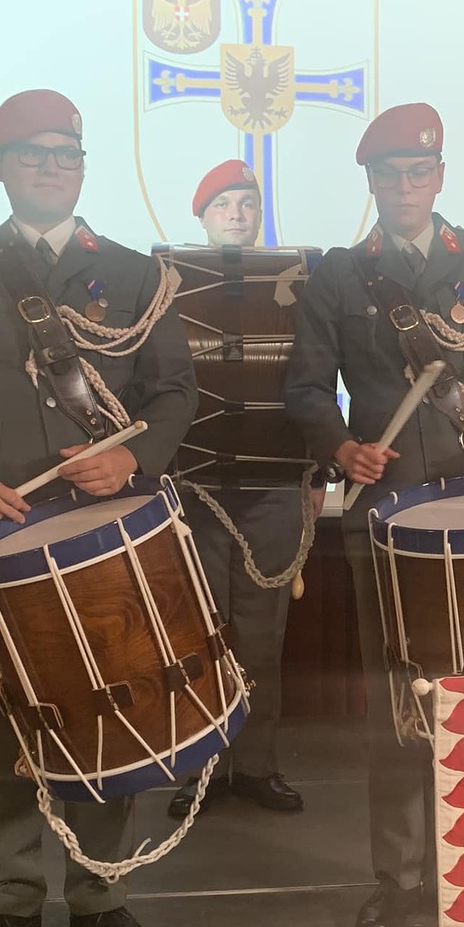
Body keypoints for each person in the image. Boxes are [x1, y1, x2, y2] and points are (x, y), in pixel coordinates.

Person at [0, 89, 198, 927]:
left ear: (82, 166)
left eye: (67, 154)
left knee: (110, 703)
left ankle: (102, 888)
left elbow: (174, 391)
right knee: (4, 714)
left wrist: (134, 461)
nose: (52, 168)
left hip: (102, 526)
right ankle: (11, 896)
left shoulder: (135, 273)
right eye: (32, 154)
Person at [284, 103, 464, 927]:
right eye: (388, 174)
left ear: (439, 178)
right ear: (369, 182)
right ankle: (400, 878)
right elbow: (304, 388)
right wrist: (341, 447)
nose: (403, 186)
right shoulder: (339, 275)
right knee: (398, 697)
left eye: (417, 172)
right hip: (389, 514)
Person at [168, 160, 310, 820]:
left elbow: (313, 380)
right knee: (196, 635)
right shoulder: (164, 283)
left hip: (273, 486)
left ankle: (255, 766)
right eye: (222, 203)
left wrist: (313, 473)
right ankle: (196, 770)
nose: (236, 214)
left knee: (261, 635)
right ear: (201, 216)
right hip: (191, 489)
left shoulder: (299, 284)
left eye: (246, 203)